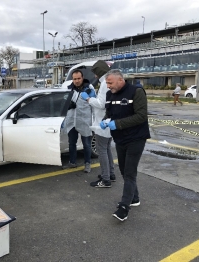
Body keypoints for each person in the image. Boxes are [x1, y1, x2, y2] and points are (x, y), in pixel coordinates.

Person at [100, 69, 151, 222]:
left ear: (120, 80)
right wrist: (106, 120)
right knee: (123, 169)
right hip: (120, 139)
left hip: (136, 138)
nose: (108, 86)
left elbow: (141, 116)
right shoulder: (110, 95)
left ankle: (124, 207)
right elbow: (109, 113)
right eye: (107, 83)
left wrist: (118, 124)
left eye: (110, 82)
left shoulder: (136, 92)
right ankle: (134, 198)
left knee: (129, 172)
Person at [80, 60, 116, 188]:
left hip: (102, 122)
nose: (94, 76)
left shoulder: (105, 83)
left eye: (95, 73)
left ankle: (106, 179)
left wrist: (89, 99)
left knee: (102, 151)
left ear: (99, 71)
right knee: (107, 149)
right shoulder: (108, 82)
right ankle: (110, 174)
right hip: (108, 121)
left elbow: (101, 105)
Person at [63, 69, 95, 173]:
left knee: (86, 144)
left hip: (85, 120)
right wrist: (68, 105)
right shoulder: (68, 89)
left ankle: (87, 163)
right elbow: (62, 103)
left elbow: (95, 104)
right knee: (72, 143)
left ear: (82, 78)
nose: (76, 81)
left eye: (78, 78)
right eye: (74, 79)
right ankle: (72, 162)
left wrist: (95, 121)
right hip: (72, 120)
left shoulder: (89, 89)